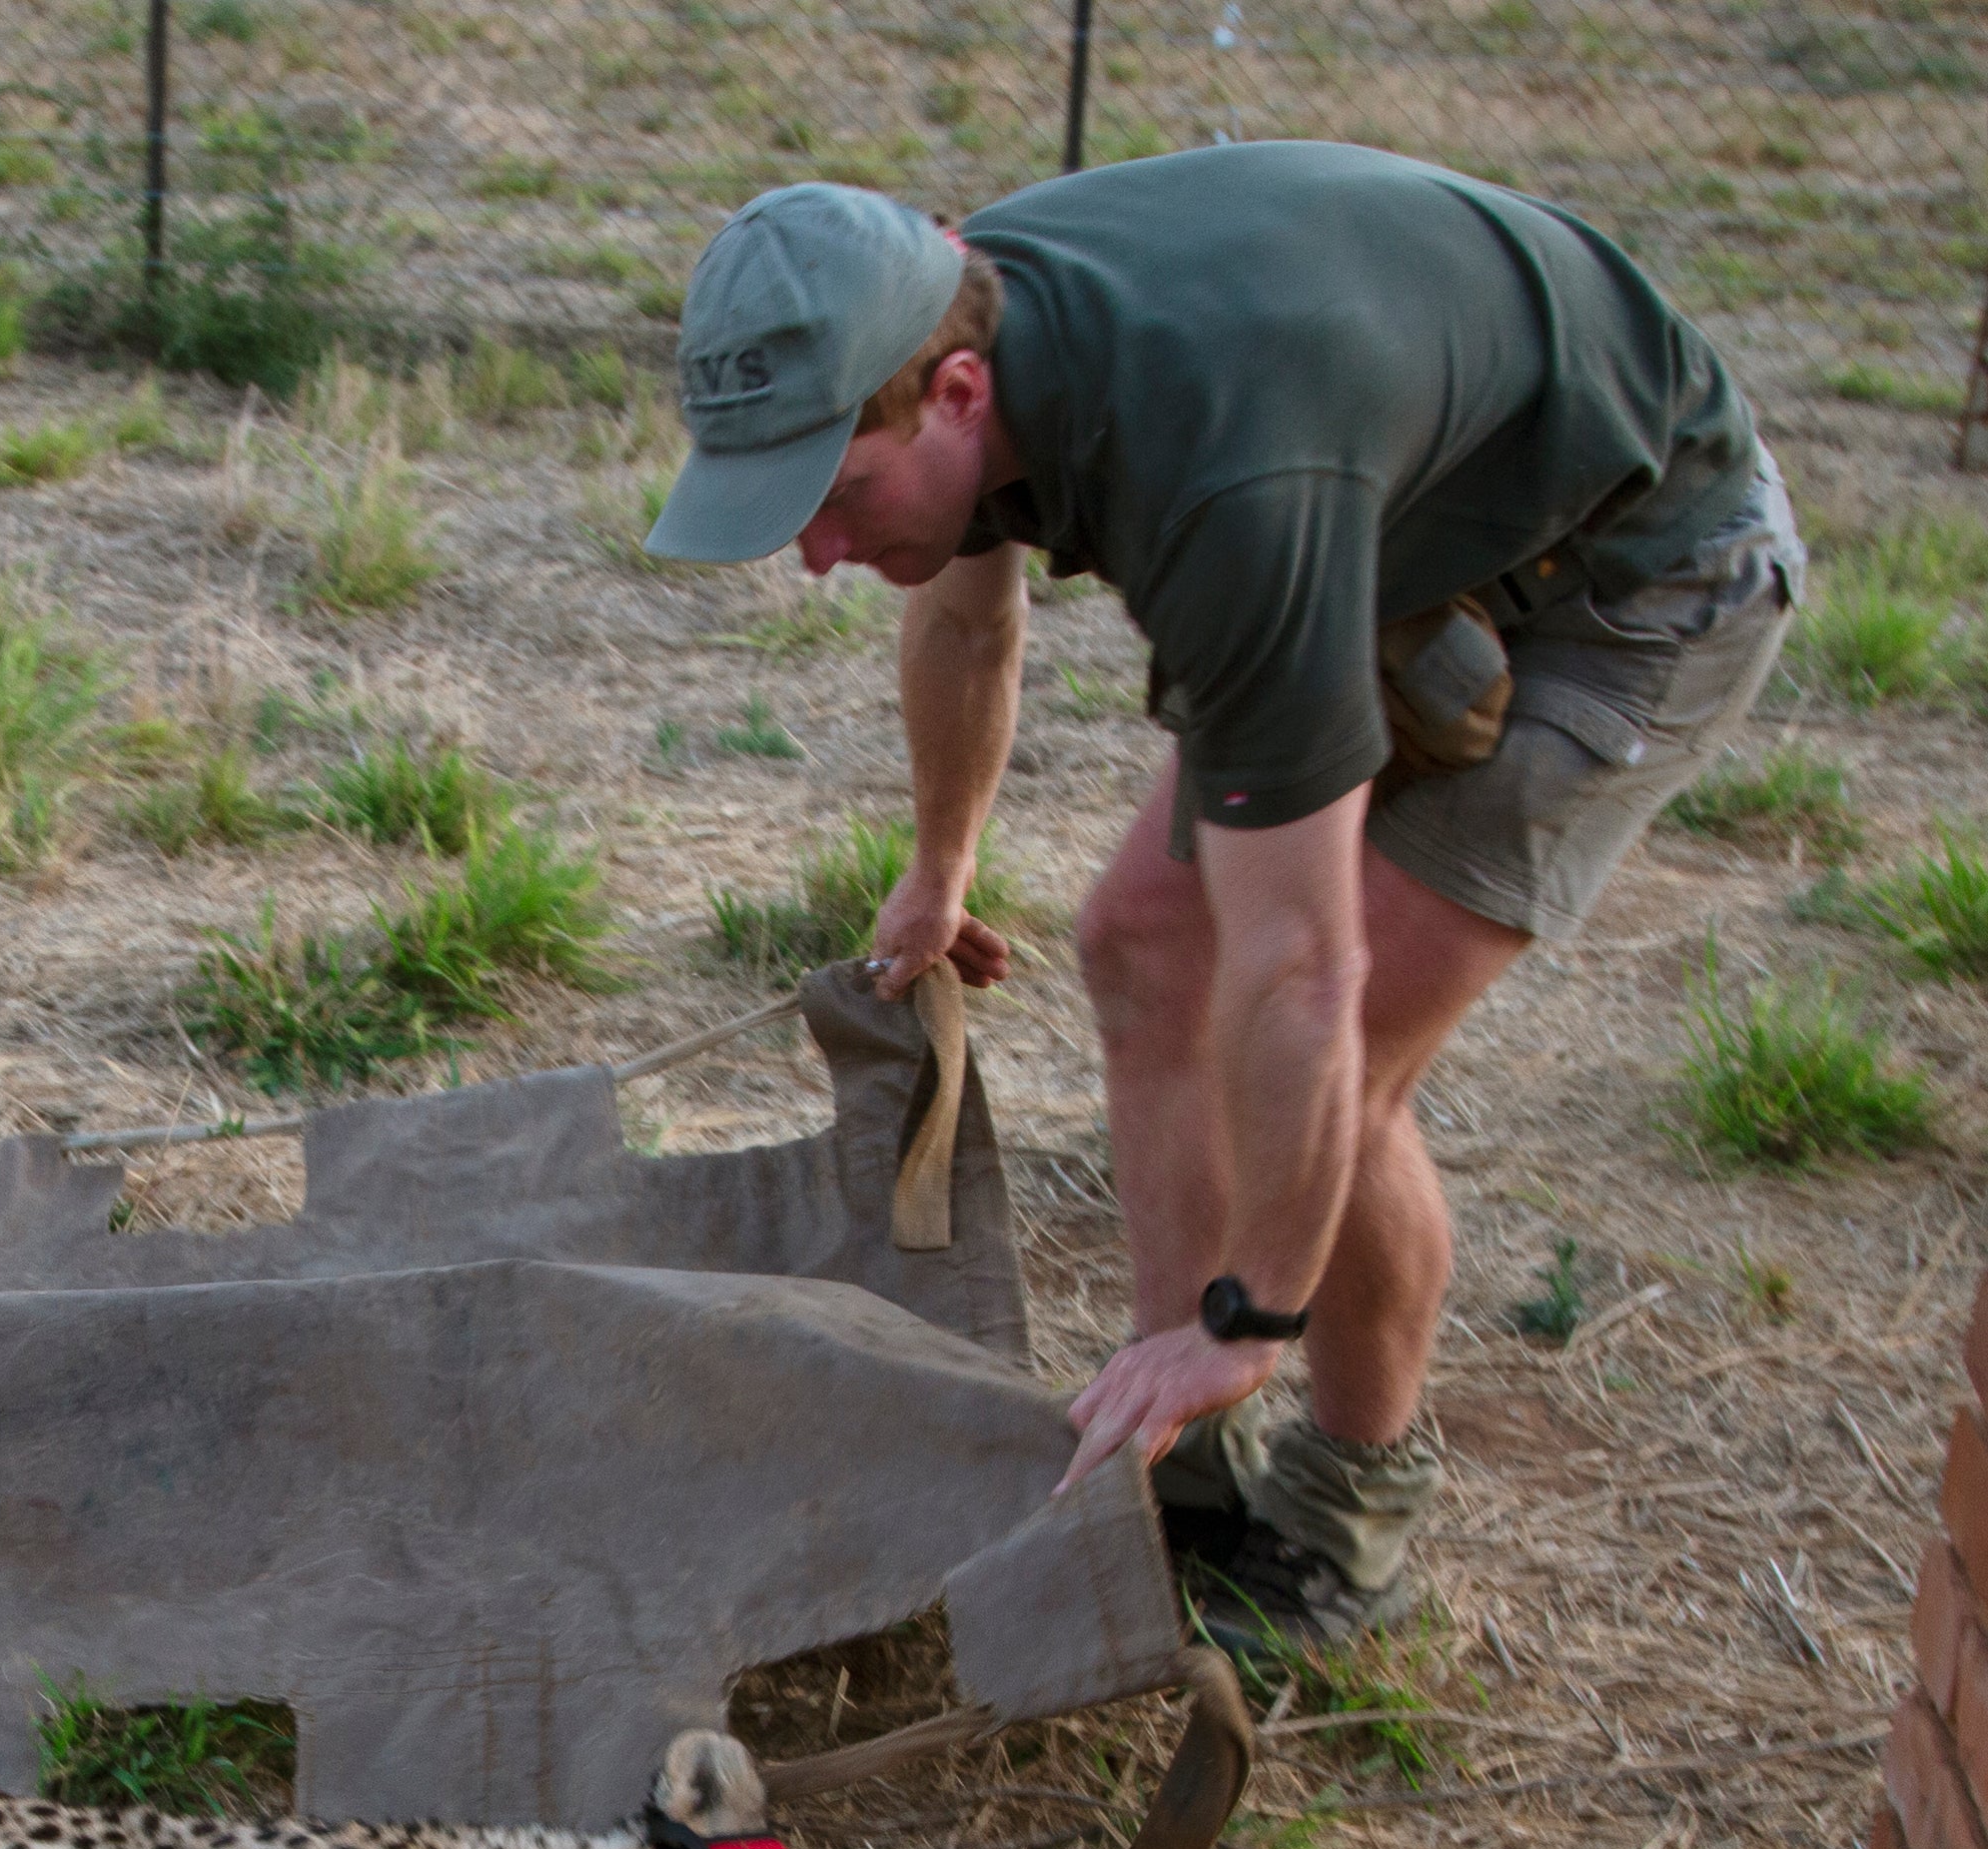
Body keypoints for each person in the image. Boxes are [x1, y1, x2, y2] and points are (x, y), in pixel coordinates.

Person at [645, 146, 1797, 1653]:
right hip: (1396, 529)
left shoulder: (1221, 475)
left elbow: (1299, 973)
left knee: (1342, 1070)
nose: (810, 554)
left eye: (832, 497)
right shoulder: (934, 308)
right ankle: (1175, 1465)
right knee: (1140, 946)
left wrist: (1249, 1312)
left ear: (954, 396)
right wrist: (938, 870)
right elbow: (963, 610)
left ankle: (1341, 1520)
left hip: (1636, 573)